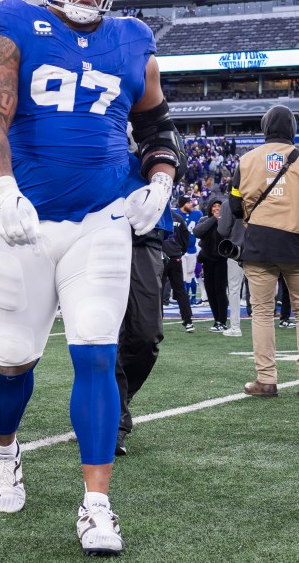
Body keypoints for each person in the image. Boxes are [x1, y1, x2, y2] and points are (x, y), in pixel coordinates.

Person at [0, 0, 184, 555]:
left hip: (102, 220)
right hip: (27, 221)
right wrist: (5, 189)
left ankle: (96, 506)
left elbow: (156, 122)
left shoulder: (131, 38)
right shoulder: (15, 23)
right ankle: (5, 453)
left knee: (95, 352)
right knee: (12, 360)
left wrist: (161, 180)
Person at [230, 104, 299, 399]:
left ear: (264, 128)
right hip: (298, 242)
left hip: (260, 243)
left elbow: (235, 207)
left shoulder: (245, 161)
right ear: (293, 129)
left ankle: (266, 379)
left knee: (262, 311)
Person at [115, 150, 174, 456]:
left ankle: (118, 401)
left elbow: (176, 158)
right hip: (95, 230)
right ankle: (113, 419)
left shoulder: (151, 123)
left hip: (145, 235)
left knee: (146, 334)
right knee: (100, 332)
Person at [193, 196, 228, 332]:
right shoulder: (204, 220)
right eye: (214, 206)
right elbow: (197, 232)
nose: (216, 208)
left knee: (220, 291)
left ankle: (223, 321)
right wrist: (213, 219)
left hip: (222, 261)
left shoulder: (226, 221)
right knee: (210, 292)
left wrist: (219, 220)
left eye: (219, 206)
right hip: (207, 260)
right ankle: (216, 320)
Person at [216, 195, 246, 337]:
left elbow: (222, 230)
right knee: (261, 290)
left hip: (237, 250)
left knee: (234, 289)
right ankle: (263, 325)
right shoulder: (258, 198)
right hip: (259, 249)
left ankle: (235, 327)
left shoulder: (228, 204)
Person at [161, 207, 194, 331]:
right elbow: (186, 238)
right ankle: (188, 321)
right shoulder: (178, 218)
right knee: (180, 290)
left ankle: (157, 322)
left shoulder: (157, 217)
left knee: (158, 291)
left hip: (160, 257)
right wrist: (180, 251)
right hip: (175, 257)